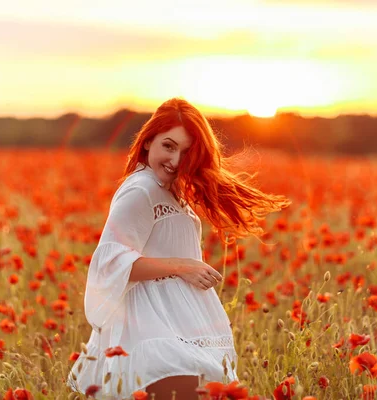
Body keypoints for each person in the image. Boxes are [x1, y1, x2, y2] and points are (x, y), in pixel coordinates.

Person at [67, 98, 290, 399]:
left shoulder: (172, 192)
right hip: (151, 327)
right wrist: (184, 266)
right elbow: (111, 263)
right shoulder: (140, 190)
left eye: (186, 152)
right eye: (168, 146)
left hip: (178, 323)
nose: (175, 160)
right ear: (147, 142)